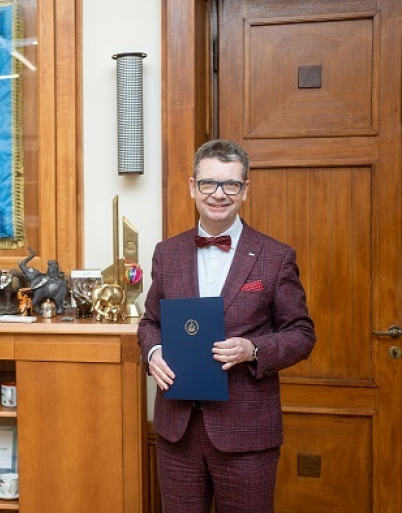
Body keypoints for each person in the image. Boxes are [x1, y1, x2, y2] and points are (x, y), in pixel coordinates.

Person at [138, 139, 316, 512]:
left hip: (247, 434)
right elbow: (151, 322)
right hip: (177, 433)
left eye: (230, 184)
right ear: (192, 187)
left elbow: (301, 334)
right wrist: (153, 353)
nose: (218, 194)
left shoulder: (275, 256)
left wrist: (254, 350)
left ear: (245, 190)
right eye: (208, 183)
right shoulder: (167, 253)